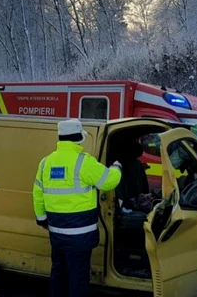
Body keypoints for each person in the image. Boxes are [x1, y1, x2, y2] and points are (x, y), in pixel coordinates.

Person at [32, 119, 122, 297]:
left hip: (57, 234)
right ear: (78, 139)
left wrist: (42, 219)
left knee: (58, 272)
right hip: (80, 236)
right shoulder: (84, 162)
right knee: (78, 277)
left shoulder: (46, 162)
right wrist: (117, 167)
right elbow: (109, 181)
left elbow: (37, 193)